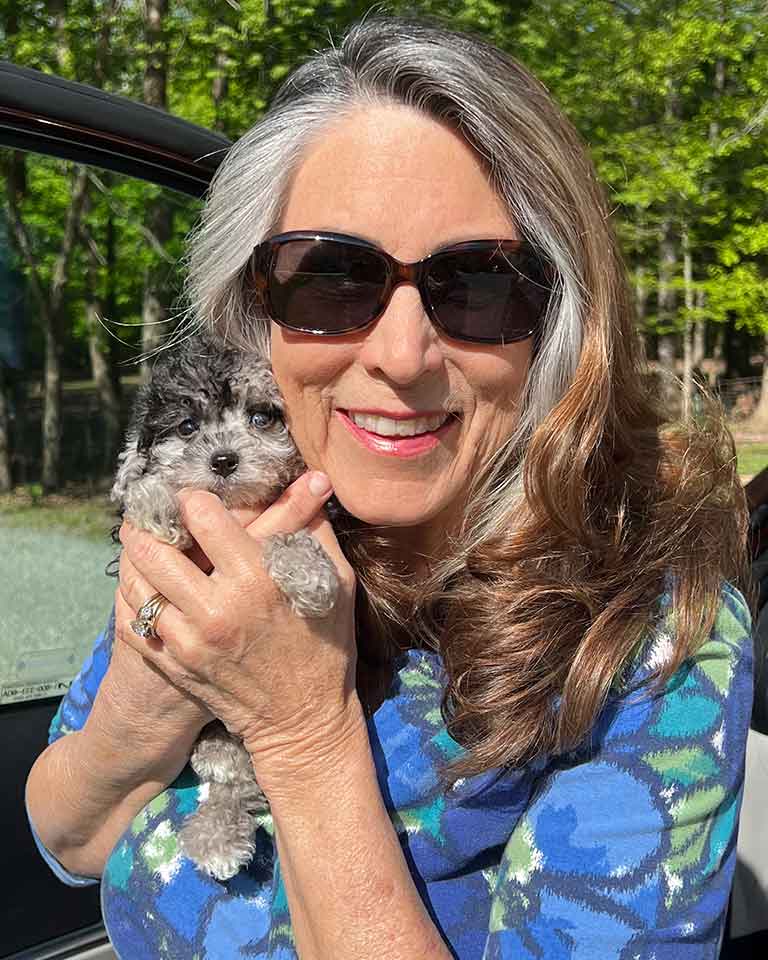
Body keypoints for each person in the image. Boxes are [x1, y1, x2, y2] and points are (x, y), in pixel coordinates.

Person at [25, 15, 754, 959]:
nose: (401, 357)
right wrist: (156, 689)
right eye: (331, 279)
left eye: (479, 287)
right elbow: (68, 836)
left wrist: (300, 731)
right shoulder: (240, 531)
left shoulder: (651, 642)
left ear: (560, 326)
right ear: (258, 311)